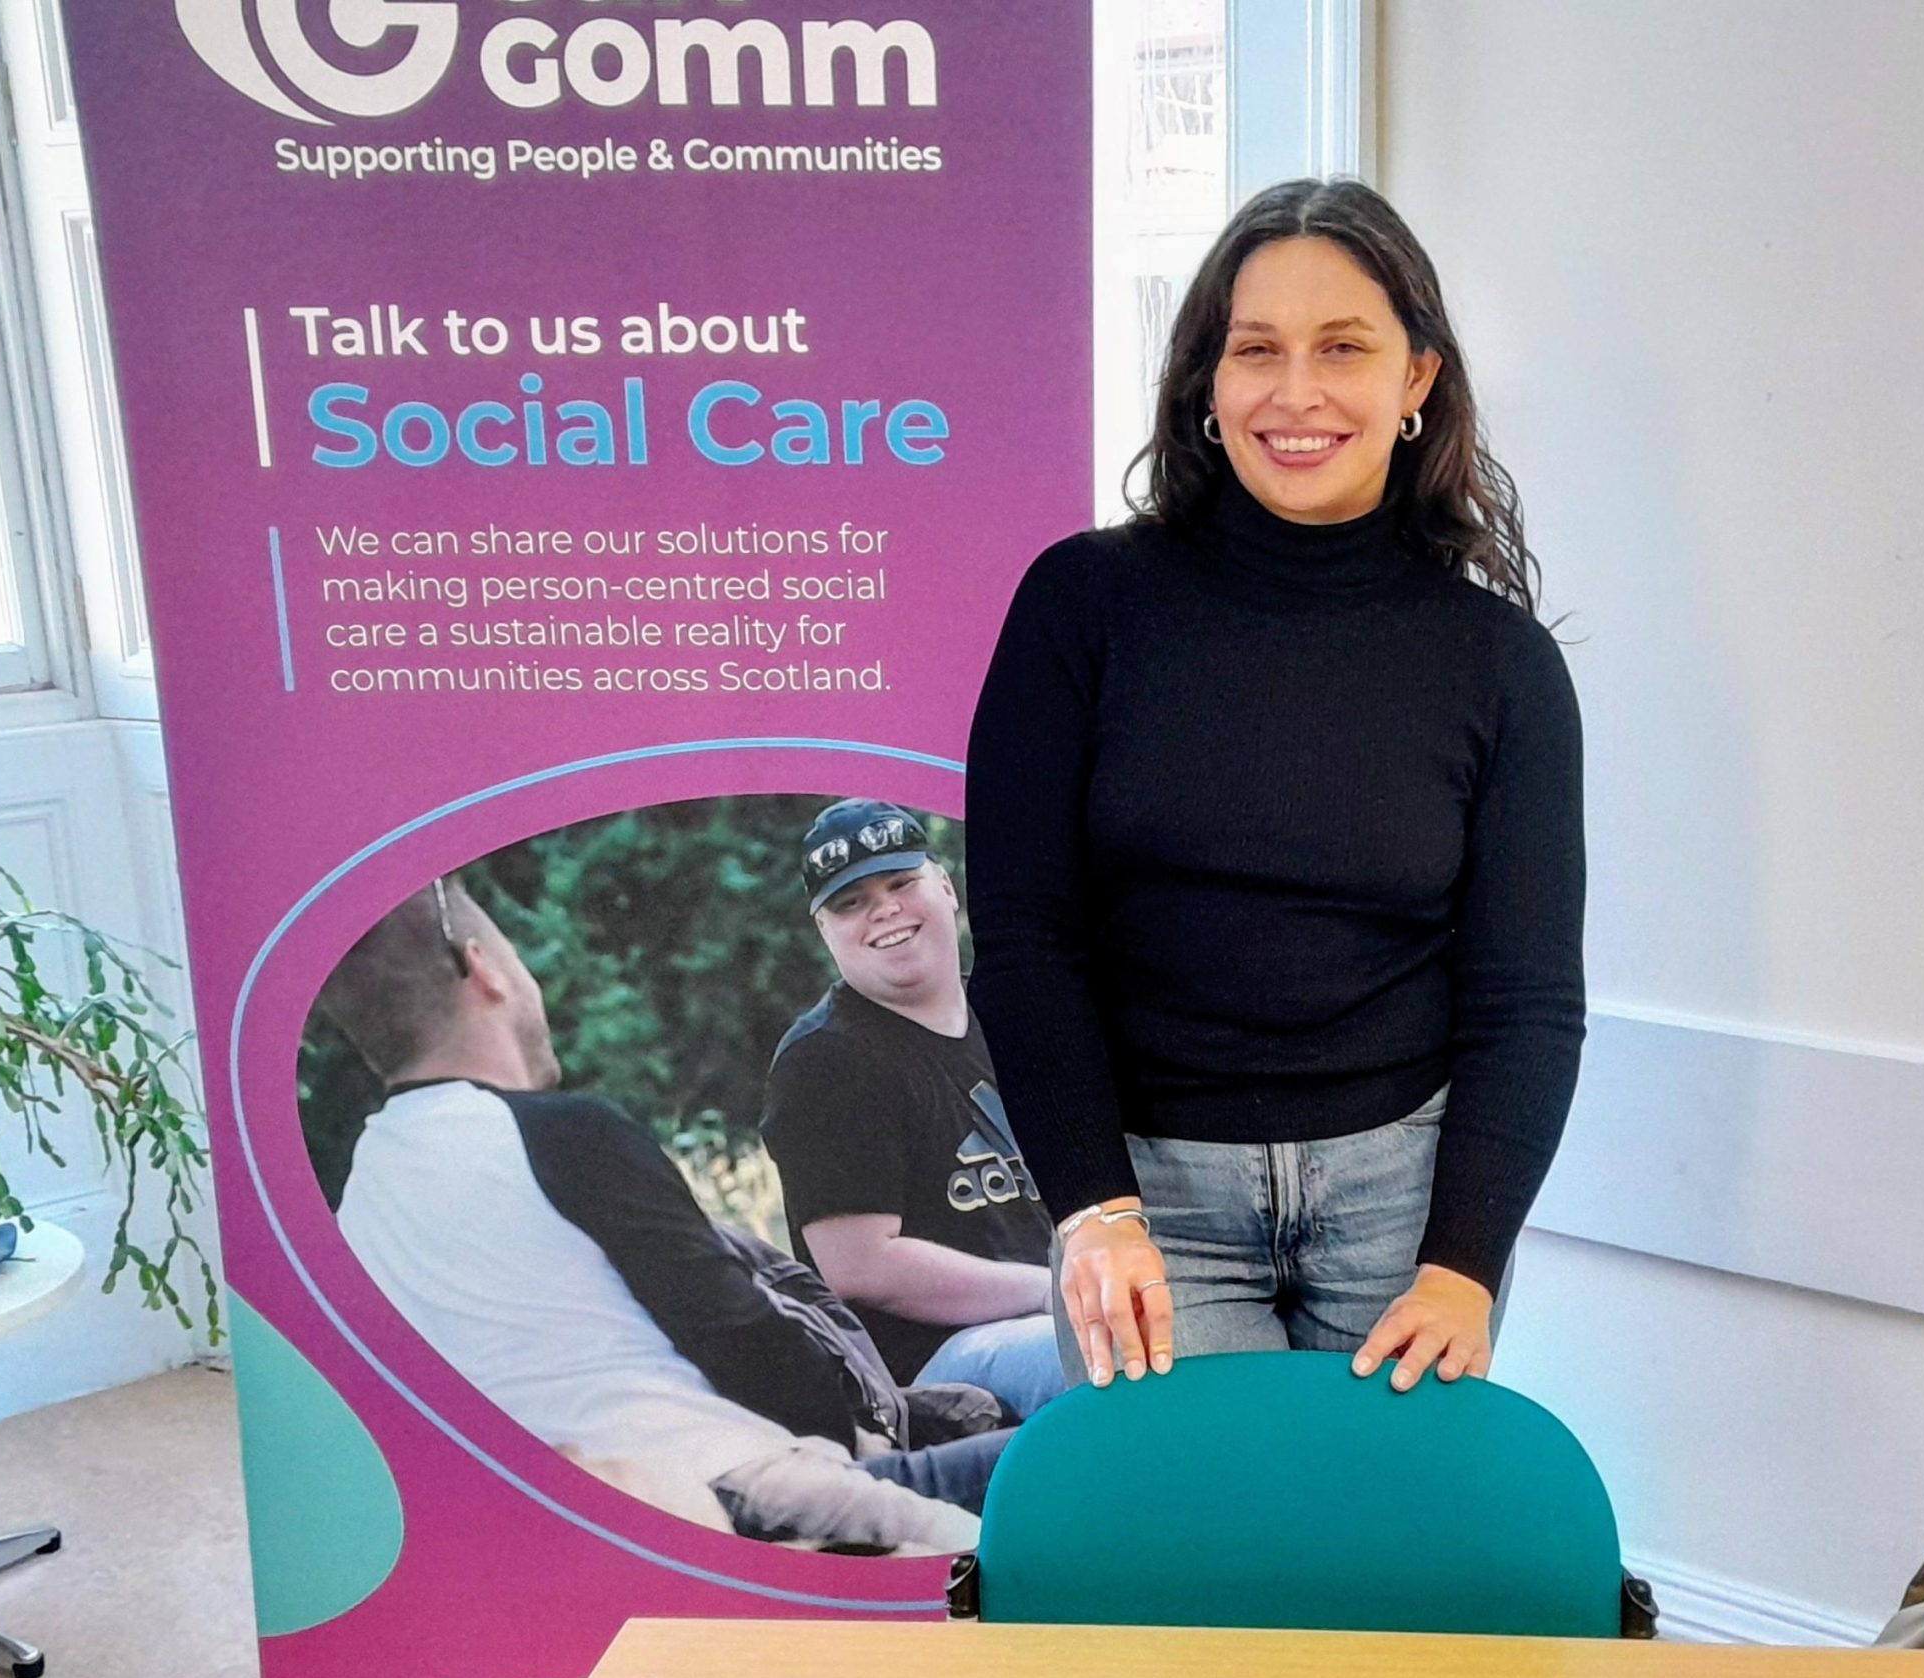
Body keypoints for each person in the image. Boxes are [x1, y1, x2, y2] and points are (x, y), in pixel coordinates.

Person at [966, 178, 1585, 1394]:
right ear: (1208, 379)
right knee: (1190, 1569)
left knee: (1378, 1572)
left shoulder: (1500, 663)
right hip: (1148, 1206)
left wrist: (1463, 1261)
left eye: (1342, 349)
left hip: (1406, 1211)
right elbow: (1031, 940)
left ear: (1416, 380)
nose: (1295, 393)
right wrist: (1093, 1208)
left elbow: (1525, 998)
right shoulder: (1082, 609)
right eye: (1257, 350)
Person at [320, 874, 1003, 1552]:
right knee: (1078, 1459)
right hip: (735, 1495)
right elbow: (742, 1337)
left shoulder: (362, 1192)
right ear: (485, 971)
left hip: (570, 1523)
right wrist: (863, 1434)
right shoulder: (562, 1134)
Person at [763, 800, 1066, 1416]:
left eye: (901, 882)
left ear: (948, 887)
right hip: (930, 1369)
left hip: (1057, 1314)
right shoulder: (827, 1059)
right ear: (824, 930)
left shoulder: (1017, 1023)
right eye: (850, 903)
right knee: (1117, 1355)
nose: (884, 910)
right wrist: (1056, 1293)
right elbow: (863, 1266)